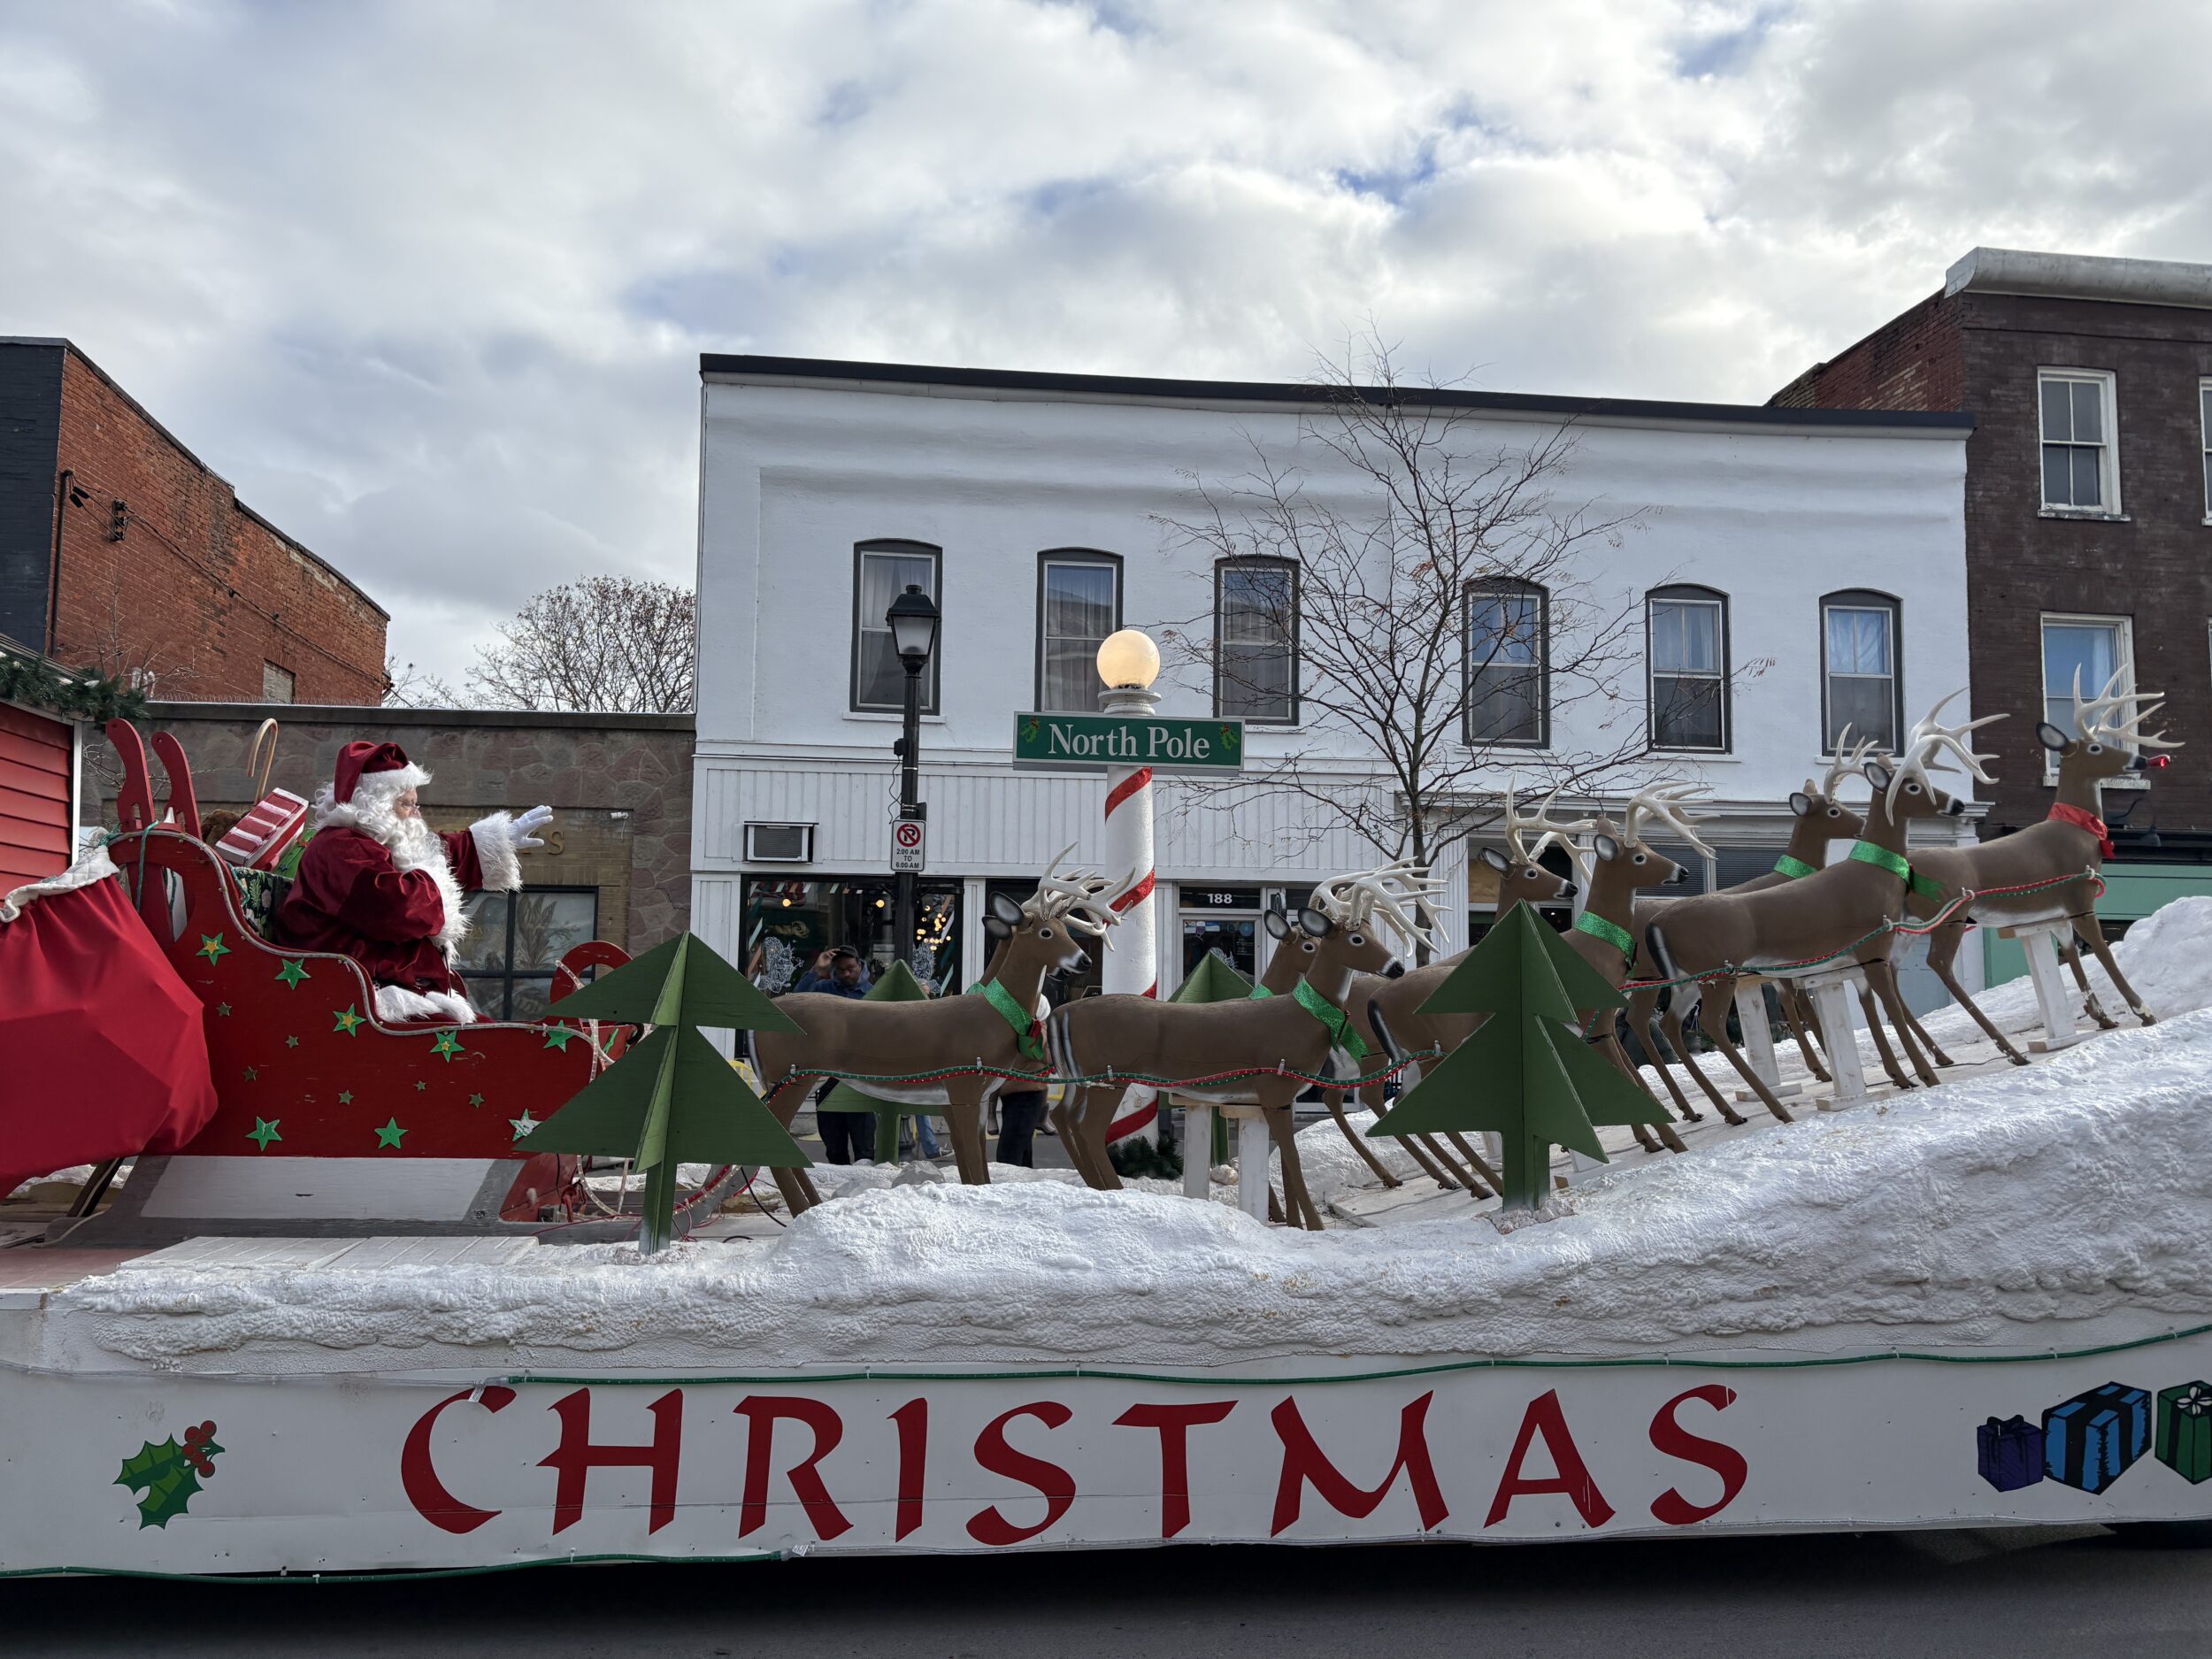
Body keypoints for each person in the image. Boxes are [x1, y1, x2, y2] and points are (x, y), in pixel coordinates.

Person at [271, 741, 551, 1024]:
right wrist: (436, 876)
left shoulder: (374, 842)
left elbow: (433, 850)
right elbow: (398, 908)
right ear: (375, 804)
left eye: (415, 804)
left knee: (493, 1038)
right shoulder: (340, 848)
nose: (416, 814)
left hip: (392, 986)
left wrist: (496, 840)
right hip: (360, 998)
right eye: (407, 804)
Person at [798, 947, 878, 1163]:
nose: (846, 974)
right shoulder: (824, 989)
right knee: (834, 1147)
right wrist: (816, 970)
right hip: (829, 1075)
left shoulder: (874, 994)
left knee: (865, 1149)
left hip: (861, 1076)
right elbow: (797, 1001)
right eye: (841, 970)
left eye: (851, 968)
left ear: (860, 965)